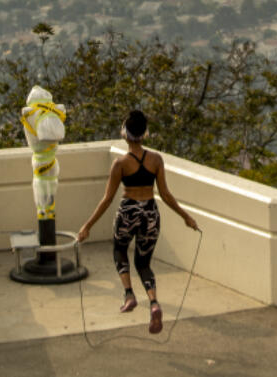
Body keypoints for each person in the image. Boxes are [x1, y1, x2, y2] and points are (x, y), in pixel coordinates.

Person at [76, 109, 199, 334]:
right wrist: (186, 217)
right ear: (144, 133)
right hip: (151, 214)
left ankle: (129, 294)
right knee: (143, 263)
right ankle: (153, 303)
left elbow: (107, 199)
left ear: (125, 133)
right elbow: (166, 194)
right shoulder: (156, 160)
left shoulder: (120, 164)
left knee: (119, 250)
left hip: (128, 212)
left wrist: (87, 226)